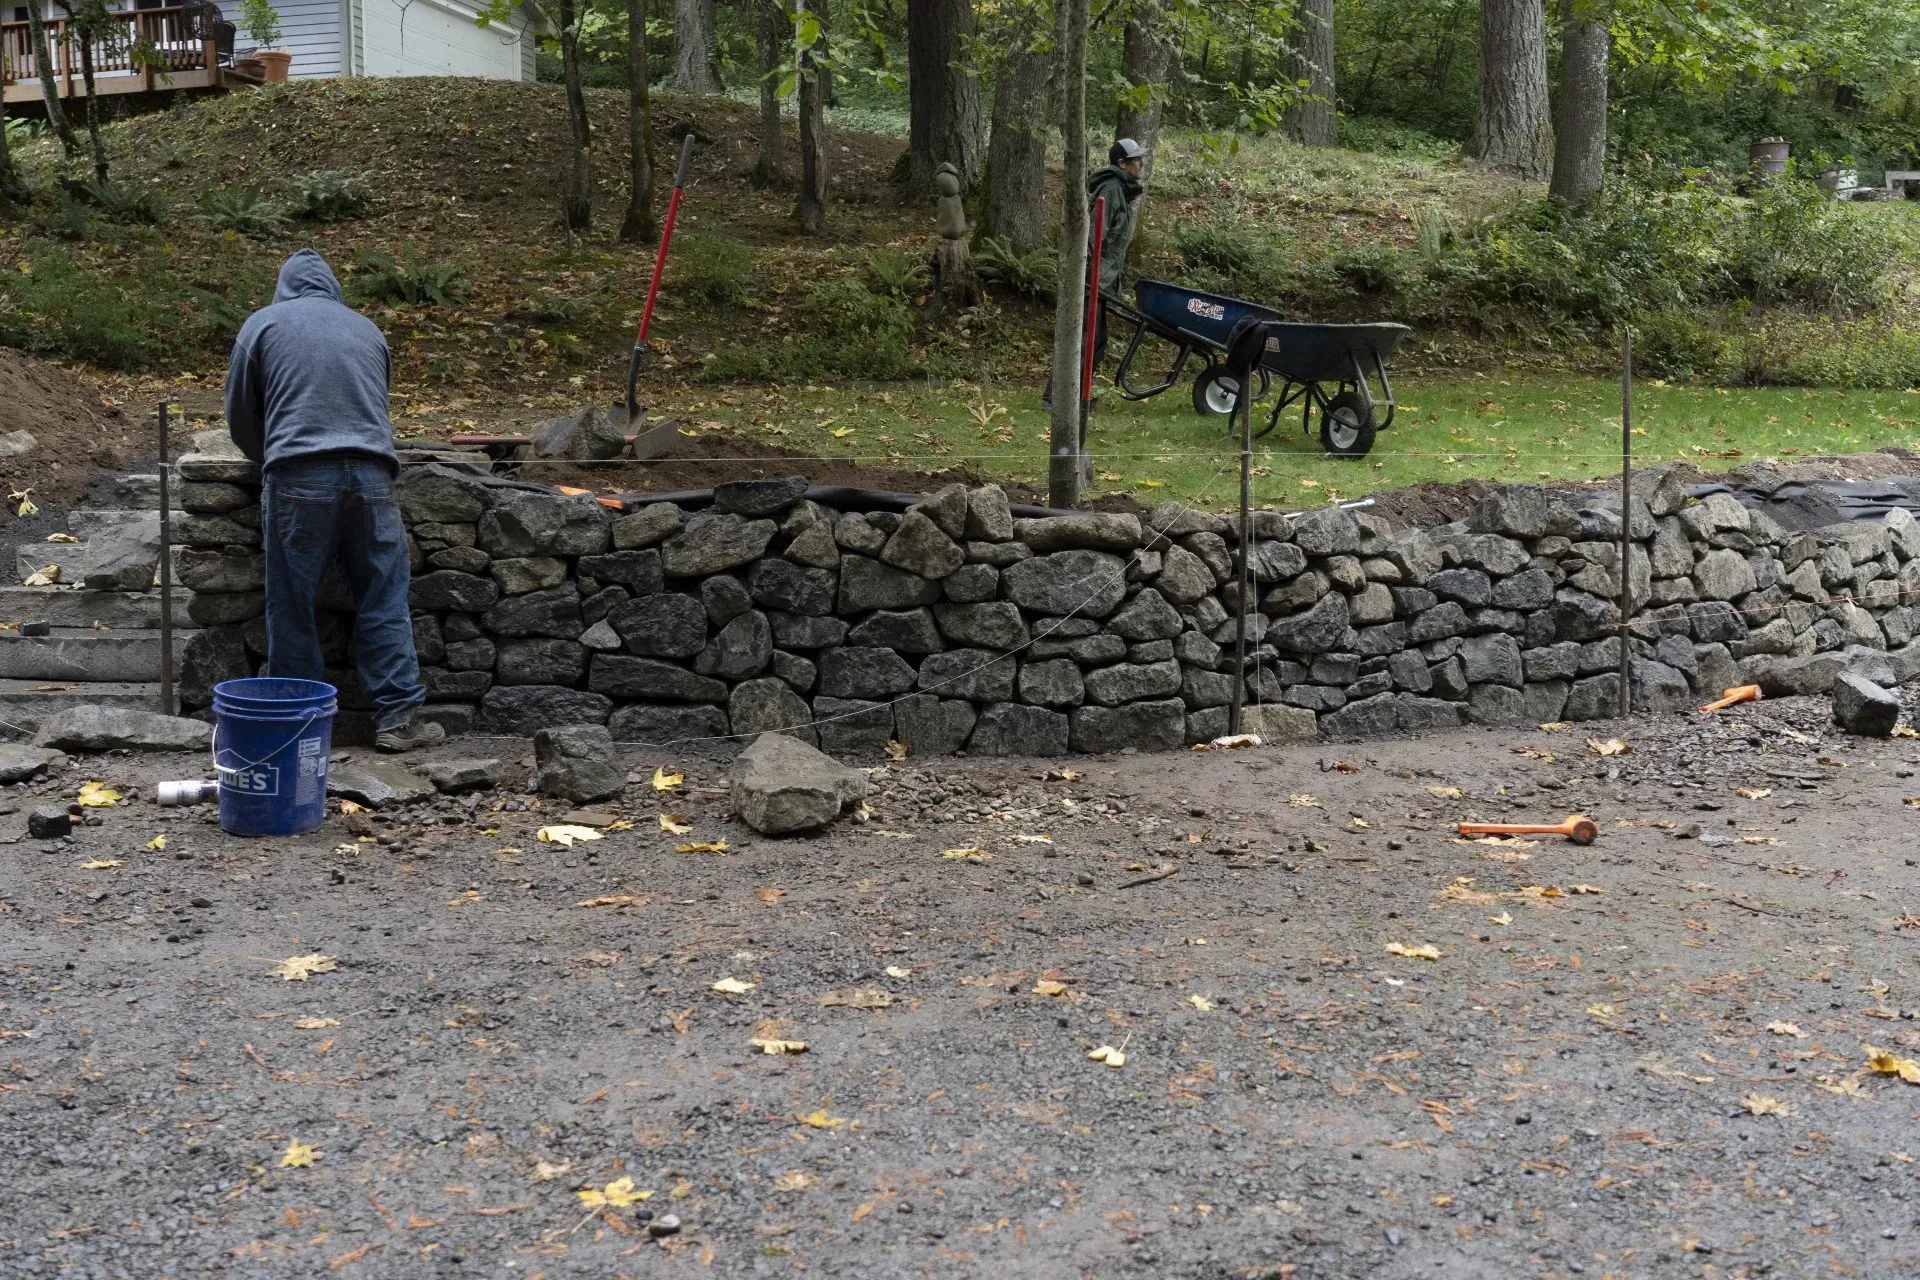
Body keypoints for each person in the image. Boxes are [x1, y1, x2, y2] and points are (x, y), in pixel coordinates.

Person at [224, 249, 444, 754]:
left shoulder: (262, 325)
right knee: (383, 595)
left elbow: (240, 415)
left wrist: (271, 455)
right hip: (372, 475)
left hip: (299, 474)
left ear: (284, 287)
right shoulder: (367, 329)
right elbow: (374, 400)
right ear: (332, 288)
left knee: (292, 601)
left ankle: (300, 722)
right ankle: (399, 719)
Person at [1044, 137, 1152, 405]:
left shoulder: (1119, 189)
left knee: (1095, 340)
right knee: (1084, 340)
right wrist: (1089, 275)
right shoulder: (1112, 190)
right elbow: (1093, 236)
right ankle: (1057, 398)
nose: (1141, 163)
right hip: (1092, 278)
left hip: (1102, 279)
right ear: (1122, 163)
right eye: (1136, 159)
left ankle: (1076, 394)